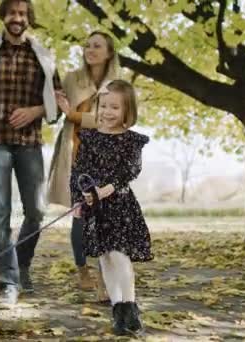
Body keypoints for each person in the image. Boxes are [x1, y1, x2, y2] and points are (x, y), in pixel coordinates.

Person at [0, 0, 62, 305]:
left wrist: (35, 111)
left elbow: (58, 102)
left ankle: (21, 263)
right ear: (3, 17)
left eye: (22, 14)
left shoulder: (43, 55)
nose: (17, 18)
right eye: (12, 13)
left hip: (30, 141)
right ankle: (8, 279)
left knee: (37, 211)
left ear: (28, 19)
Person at [70, 80, 152, 336]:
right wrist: (79, 198)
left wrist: (109, 187)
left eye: (114, 107)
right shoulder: (90, 137)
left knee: (119, 254)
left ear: (127, 111)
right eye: (103, 106)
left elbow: (131, 170)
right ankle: (118, 310)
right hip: (95, 208)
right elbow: (79, 171)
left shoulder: (131, 141)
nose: (107, 112)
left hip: (120, 206)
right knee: (105, 257)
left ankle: (130, 307)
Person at [47, 31, 119, 298]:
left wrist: (73, 114)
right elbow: (55, 114)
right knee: (80, 216)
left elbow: (111, 121)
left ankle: (104, 278)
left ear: (109, 52)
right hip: (75, 154)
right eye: (87, 45)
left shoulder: (118, 84)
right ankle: (82, 270)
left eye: (97, 46)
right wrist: (53, 102)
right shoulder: (72, 79)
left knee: (104, 218)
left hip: (105, 157)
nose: (90, 49)